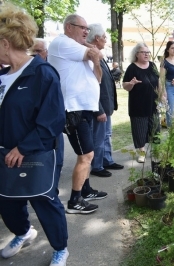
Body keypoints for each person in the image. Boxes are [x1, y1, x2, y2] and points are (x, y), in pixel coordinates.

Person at [0, 2, 69, 265]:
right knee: (7, 199)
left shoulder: (42, 74)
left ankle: (60, 248)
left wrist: (23, 148)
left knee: (43, 199)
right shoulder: (2, 76)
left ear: (6, 43)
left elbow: (52, 120)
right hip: (5, 152)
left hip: (37, 152)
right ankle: (23, 232)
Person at [48, 14, 107, 214]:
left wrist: (96, 57)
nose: (86, 31)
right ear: (68, 27)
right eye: (81, 27)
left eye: (87, 29)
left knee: (87, 154)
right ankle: (74, 201)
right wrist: (94, 53)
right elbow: (95, 53)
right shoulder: (62, 43)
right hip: (72, 109)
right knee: (86, 154)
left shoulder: (81, 50)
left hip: (85, 108)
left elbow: (98, 77)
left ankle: (86, 189)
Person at [87, 23, 124, 177]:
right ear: (96, 38)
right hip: (99, 108)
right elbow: (91, 87)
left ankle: (107, 160)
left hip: (105, 107)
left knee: (107, 135)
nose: (106, 39)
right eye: (104, 37)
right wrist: (99, 110)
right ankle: (97, 166)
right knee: (99, 137)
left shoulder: (99, 56)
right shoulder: (91, 57)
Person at [29, 38, 65, 179]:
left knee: (56, 162)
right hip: (32, 130)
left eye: (39, 51)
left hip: (51, 128)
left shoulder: (49, 71)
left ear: (46, 52)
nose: (37, 55)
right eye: (34, 51)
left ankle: (52, 190)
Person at [122, 43, 161, 163]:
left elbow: (158, 81)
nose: (146, 54)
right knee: (140, 130)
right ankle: (142, 153)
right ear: (137, 54)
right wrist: (131, 83)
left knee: (155, 129)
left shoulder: (153, 65)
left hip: (153, 104)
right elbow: (125, 86)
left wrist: (161, 95)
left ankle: (156, 152)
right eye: (144, 52)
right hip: (138, 105)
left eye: (148, 52)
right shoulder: (132, 68)